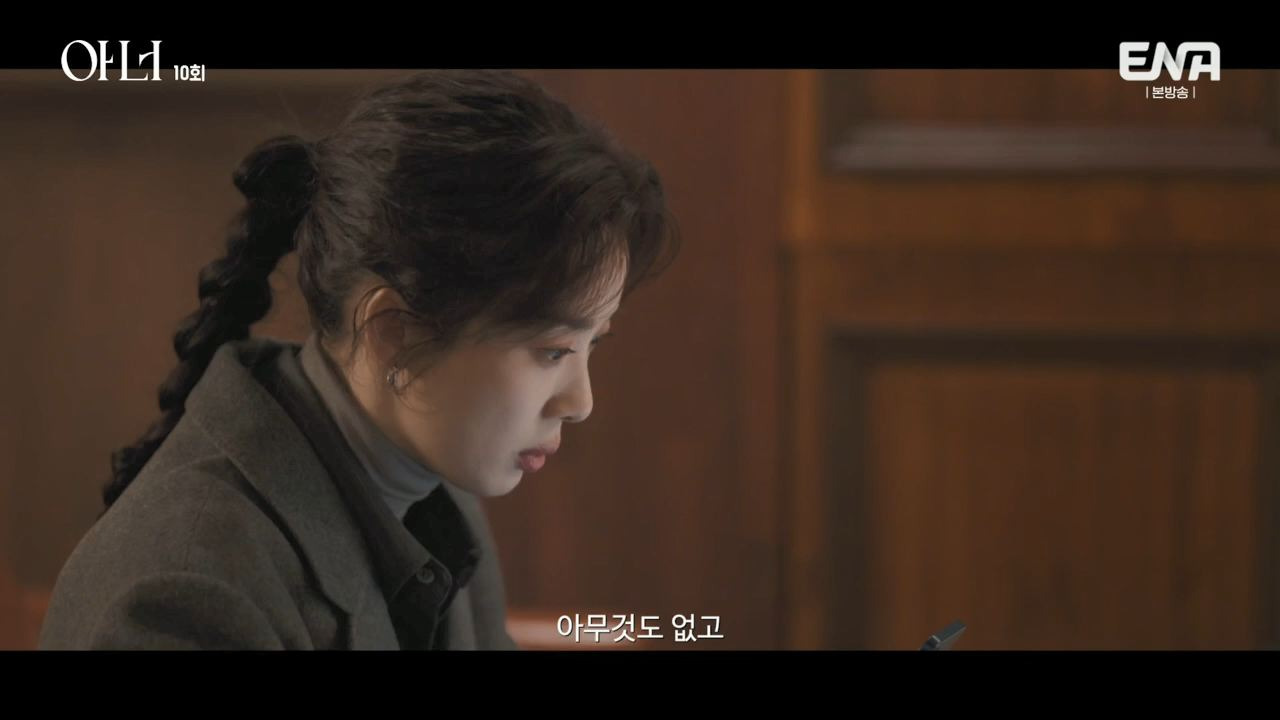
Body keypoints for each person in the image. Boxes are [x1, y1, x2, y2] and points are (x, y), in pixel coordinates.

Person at [37, 69, 680, 650]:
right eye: (552, 351)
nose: (581, 401)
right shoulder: (186, 598)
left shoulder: (439, 497)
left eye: (593, 345)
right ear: (392, 332)